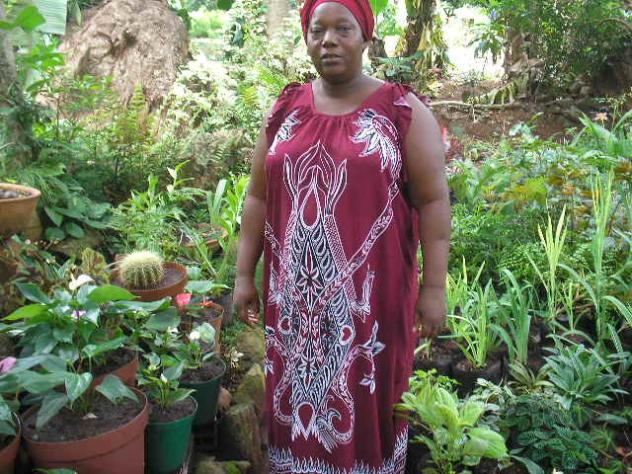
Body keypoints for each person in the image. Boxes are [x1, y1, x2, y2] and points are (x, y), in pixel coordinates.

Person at [233, 0, 450, 470]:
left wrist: (435, 287)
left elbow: (434, 201)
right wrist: (243, 274)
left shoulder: (400, 110)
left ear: (365, 35)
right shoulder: (286, 108)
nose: (328, 40)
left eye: (342, 29)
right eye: (318, 30)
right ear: (307, 37)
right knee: (294, 396)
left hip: (368, 305)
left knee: (365, 394)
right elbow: (257, 197)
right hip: (295, 303)